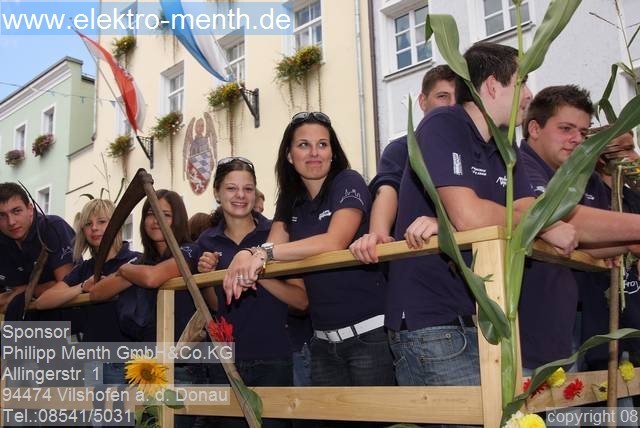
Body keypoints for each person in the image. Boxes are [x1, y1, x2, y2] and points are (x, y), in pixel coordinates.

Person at [384, 43, 578, 428]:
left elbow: (528, 209)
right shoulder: (444, 123)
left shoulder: (506, 148)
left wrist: (534, 220)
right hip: (433, 321)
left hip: (480, 318)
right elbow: (471, 215)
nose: (529, 95)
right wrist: (543, 225)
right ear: (491, 85)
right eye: (521, 82)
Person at [222, 112, 395, 393]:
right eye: (304, 145)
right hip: (322, 342)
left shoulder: (348, 181)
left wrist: (263, 253)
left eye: (322, 144)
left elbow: (333, 242)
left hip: (369, 334)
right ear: (289, 155)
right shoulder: (291, 198)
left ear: (332, 152)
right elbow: (271, 247)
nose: (314, 153)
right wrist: (246, 254)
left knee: (378, 416)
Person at [518, 86, 640, 372]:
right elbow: (558, 219)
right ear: (534, 128)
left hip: (576, 323)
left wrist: (626, 243)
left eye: (583, 132)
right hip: (528, 331)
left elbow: (591, 239)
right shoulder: (517, 167)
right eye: (565, 128)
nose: (576, 139)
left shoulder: (584, 175)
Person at [196, 156, 307, 428]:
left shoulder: (276, 235)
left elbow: (301, 300)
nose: (241, 195)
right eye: (231, 188)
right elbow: (215, 306)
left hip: (273, 357)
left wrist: (258, 272)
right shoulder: (206, 241)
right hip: (225, 362)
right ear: (217, 193)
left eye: (248, 188)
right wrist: (207, 278)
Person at [86, 190, 204, 427]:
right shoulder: (141, 262)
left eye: (165, 214)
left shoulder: (191, 250)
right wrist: (132, 271)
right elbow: (96, 293)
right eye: (150, 214)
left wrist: (124, 271)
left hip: (182, 367)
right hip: (145, 369)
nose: (156, 220)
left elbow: (152, 278)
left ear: (178, 219)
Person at [351, 65, 455, 263]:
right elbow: (387, 190)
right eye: (442, 96)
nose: (452, 104)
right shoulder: (402, 149)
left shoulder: (474, 149)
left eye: (458, 98)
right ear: (422, 101)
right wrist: (378, 235)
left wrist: (446, 225)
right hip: (415, 262)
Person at [0, 182, 75, 322]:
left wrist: (23, 291)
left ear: (30, 209)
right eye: (2, 215)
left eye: (16, 211)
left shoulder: (52, 227)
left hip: (68, 320)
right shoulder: (3, 242)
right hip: (22, 324)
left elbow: (67, 285)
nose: (11, 222)